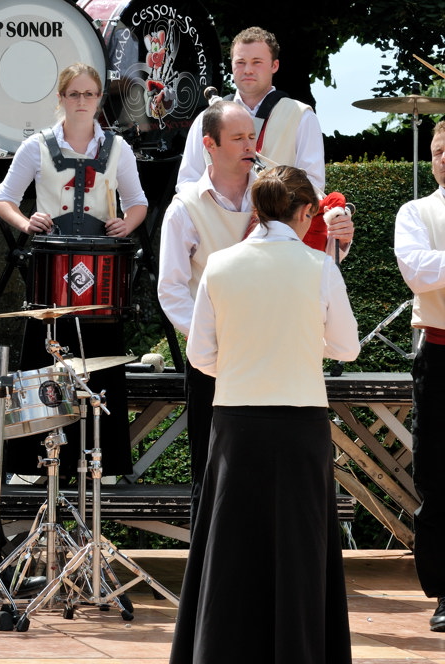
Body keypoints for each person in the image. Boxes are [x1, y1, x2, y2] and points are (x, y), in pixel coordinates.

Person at [171, 165, 358, 663]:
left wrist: (245, 361)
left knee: (231, 551)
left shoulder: (220, 265)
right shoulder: (320, 267)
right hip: (300, 427)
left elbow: (200, 356)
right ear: (306, 212)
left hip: (237, 424)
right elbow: (347, 348)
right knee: (301, 552)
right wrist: (298, 344)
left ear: (257, 210)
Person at [159, 100, 352, 520]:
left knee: (274, 481)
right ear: (209, 145)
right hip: (213, 361)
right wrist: (213, 341)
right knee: (212, 473)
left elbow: (311, 261)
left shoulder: (275, 193)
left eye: (252, 136)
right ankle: (210, 561)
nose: (251, 145)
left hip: (277, 357)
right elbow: (171, 289)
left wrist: (340, 237)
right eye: (239, 138)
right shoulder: (184, 207)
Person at [0, 62, 148, 477]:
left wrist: (126, 224)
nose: (82, 101)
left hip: (100, 272)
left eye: (89, 94)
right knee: (45, 356)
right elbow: (4, 198)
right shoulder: (36, 146)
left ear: (99, 99)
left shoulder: (118, 148)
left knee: (101, 360)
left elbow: (138, 202)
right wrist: (26, 223)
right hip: (51, 269)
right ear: (61, 98)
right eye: (74, 94)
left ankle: (100, 464)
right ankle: (35, 463)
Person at [394, 119, 445, 632]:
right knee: (437, 475)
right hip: (440, 353)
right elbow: (416, 270)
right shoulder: (416, 211)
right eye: (437, 151)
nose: (443, 159)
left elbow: (435, 267)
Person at [176, 26, 324, 193]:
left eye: (257, 62)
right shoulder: (206, 119)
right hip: (217, 210)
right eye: (240, 62)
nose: (248, 70)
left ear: (274, 65)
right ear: (231, 65)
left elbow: (313, 186)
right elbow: (188, 182)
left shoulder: (302, 116)